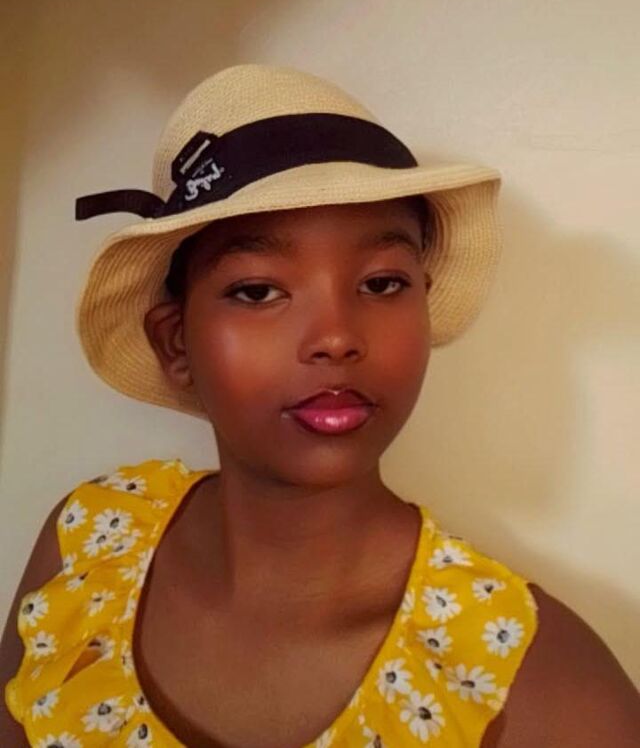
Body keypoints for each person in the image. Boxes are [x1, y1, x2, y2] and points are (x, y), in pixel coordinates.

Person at [1, 64, 638, 747]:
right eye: (257, 291)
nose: (335, 337)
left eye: (383, 283)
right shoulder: (87, 544)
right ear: (176, 341)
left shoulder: (537, 684)